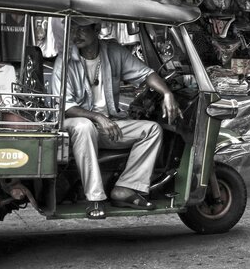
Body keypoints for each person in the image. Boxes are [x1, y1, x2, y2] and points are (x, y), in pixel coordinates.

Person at [51, 17, 182, 219]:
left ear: (96, 29)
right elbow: (65, 106)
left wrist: (167, 93)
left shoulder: (113, 52)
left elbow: (146, 74)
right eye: (72, 29)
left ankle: (125, 188)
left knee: (152, 130)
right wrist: (96, 117)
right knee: (84, 126)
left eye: (81, 29)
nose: (75, 35)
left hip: (106, 124)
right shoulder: (65, 60)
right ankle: (94, 198)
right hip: (74, 125)